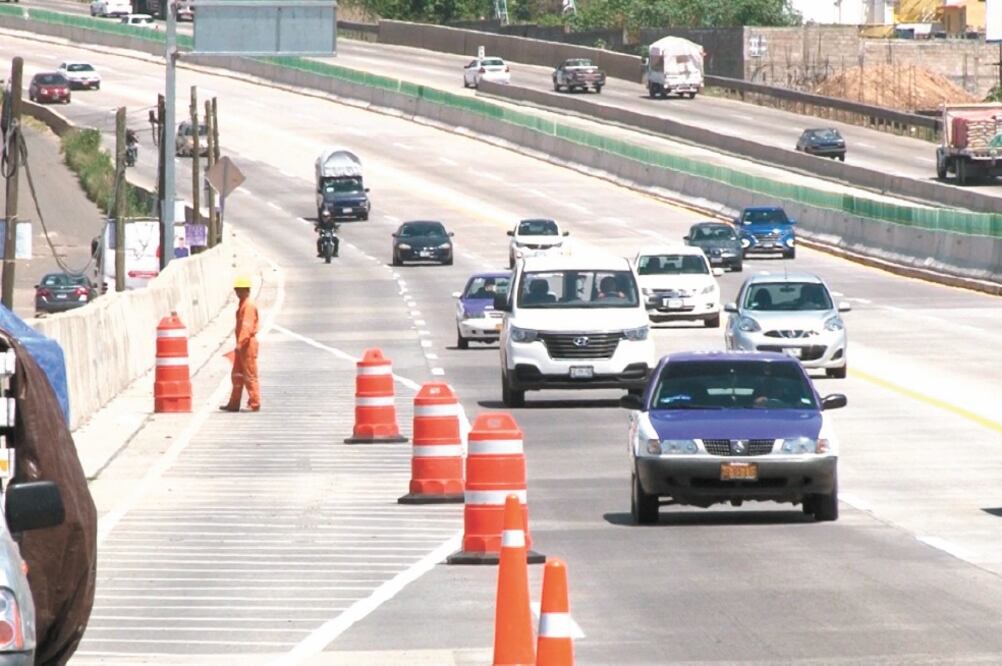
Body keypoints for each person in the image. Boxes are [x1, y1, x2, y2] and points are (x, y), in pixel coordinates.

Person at [220, 275, 260, 412]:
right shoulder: (243, 304)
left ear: (245, 290)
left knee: (249, 375)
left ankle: (254, 403)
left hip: (247, 345)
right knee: (237, 375)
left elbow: (246, 326)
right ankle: (234, 403)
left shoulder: (248, 306)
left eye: (239, 290)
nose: (237, 293)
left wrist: (240, 343)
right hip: (242, 345)